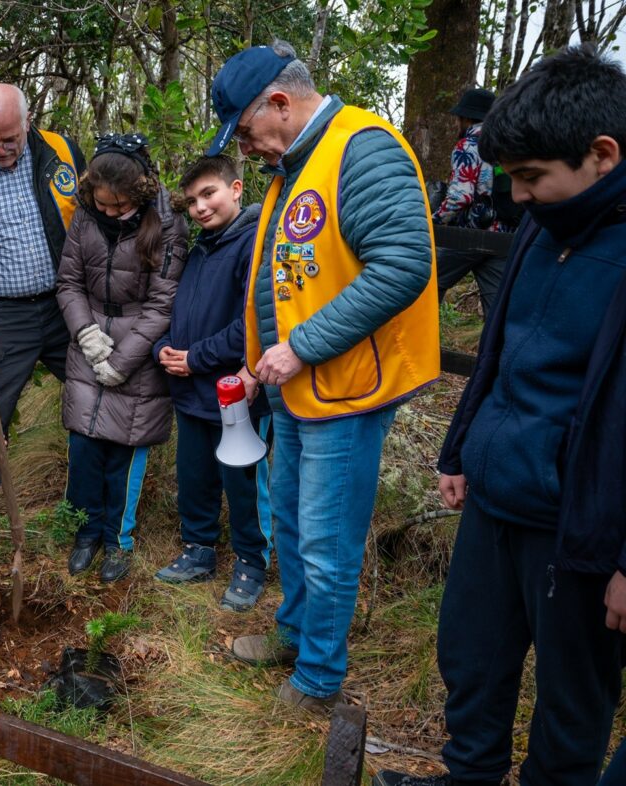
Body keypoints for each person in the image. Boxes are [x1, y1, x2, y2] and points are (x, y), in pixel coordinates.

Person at [376, 45, 626, 786]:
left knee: (572, 700)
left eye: (531, 178)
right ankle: (468, 778)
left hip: (579, 527)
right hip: (495, 496)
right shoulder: (540, 232)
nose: (517, 199)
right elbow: (496, 353)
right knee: (473, 657)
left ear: (602, 154)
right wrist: (459, 448)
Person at [206, 42, 439, 713]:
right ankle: (295, 635)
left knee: (329, 537)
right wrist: (259, 362)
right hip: (295, 388)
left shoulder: (362, 149)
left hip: (345, 389)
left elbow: (400, 267)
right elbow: (291, 277)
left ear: (279, 103)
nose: (245, 149)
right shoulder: (294, 163)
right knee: (295, 526)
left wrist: (301, 347)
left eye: (246, 132)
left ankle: (318, 679)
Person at [0, 83, 86, 537]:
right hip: (1, 314)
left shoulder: (61, 152)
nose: (2, 149)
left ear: (28, 122)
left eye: (10, 138)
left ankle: (92, 501)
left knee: (98, 390)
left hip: (65, 303)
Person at [57, 132, 187, 582]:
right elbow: (69, 282)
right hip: (87, 343)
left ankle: (118, 540)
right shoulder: (84, 217)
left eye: (118, 206)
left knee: (124, 456)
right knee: (84, 449)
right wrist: (86, 334)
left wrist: (122, 359)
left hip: (138, 354)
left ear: (141, 192)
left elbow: (163, 304)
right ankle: (85, 533)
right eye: (103, 204)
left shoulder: (166, 226)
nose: (109, 212)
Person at [152, 154, 273, 612]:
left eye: (210, 194)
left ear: (236, 189)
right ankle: (199, 549)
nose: (201, 207)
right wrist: (163, 346)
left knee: (242, 480)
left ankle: (251, 560)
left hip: (236, 393)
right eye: (193, 200)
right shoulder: (198, 248)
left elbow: (253, 324)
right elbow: (180, 311)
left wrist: (197, 358)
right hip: (190, 393)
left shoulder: (253, 244)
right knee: (195, 475)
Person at [433, 88, 518, 317]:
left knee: (426, 282)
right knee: (497, 307)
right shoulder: (508, 145)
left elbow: (460, 197)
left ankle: (420, 345)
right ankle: (496, 352)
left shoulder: (469, 146)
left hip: (470, 234)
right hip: (504, 235)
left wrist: (432, 221)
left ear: (467, 118)